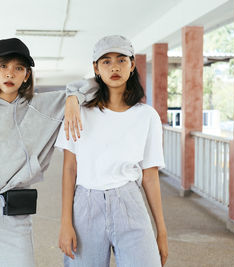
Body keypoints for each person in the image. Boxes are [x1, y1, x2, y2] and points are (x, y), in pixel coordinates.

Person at [0, 37, 94, 267]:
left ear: (27, 75)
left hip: (15, 213)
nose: (10, 74)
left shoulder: (43, 106)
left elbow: (95, 85)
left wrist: (74, 98)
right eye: (3, 66)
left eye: (18, 68)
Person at [55, 35, 168, 267]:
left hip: (129, 202)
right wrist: (65, 222)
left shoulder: (147, 116)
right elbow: (69, 168)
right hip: (85, 205)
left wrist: (162, 231)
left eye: (121, 60)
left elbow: (150, 175)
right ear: (95, 68)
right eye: (105, 61)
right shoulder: (79, 113)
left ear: (132, 65)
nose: (114, 66)